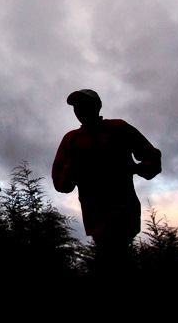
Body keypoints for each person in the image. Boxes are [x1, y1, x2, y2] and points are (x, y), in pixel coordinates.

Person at [52, 89, 162, 273]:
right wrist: (73, 168)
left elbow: (152, 157)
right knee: (110, 261)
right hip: (95, 217)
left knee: (112, 258)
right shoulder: (71, 140)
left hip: (123, 211)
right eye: (76, 107)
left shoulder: (118, 128)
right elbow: (61, 183)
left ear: (97, 106)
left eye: (84, 105)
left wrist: (136, 168)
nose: (79, 110)